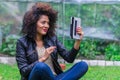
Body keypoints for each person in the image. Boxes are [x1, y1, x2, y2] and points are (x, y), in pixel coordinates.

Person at [16, 2, 88, 80]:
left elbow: (69, 58)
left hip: (55, 77)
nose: (47, 25)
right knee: (41, 66)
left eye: (48, 23)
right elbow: (23, 71)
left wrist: (78, 41)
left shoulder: (52, 39)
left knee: (82, 65)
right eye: (43, 22)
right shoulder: (22, 42)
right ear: (33, 23)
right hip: (35, 78)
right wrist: (43, 58)